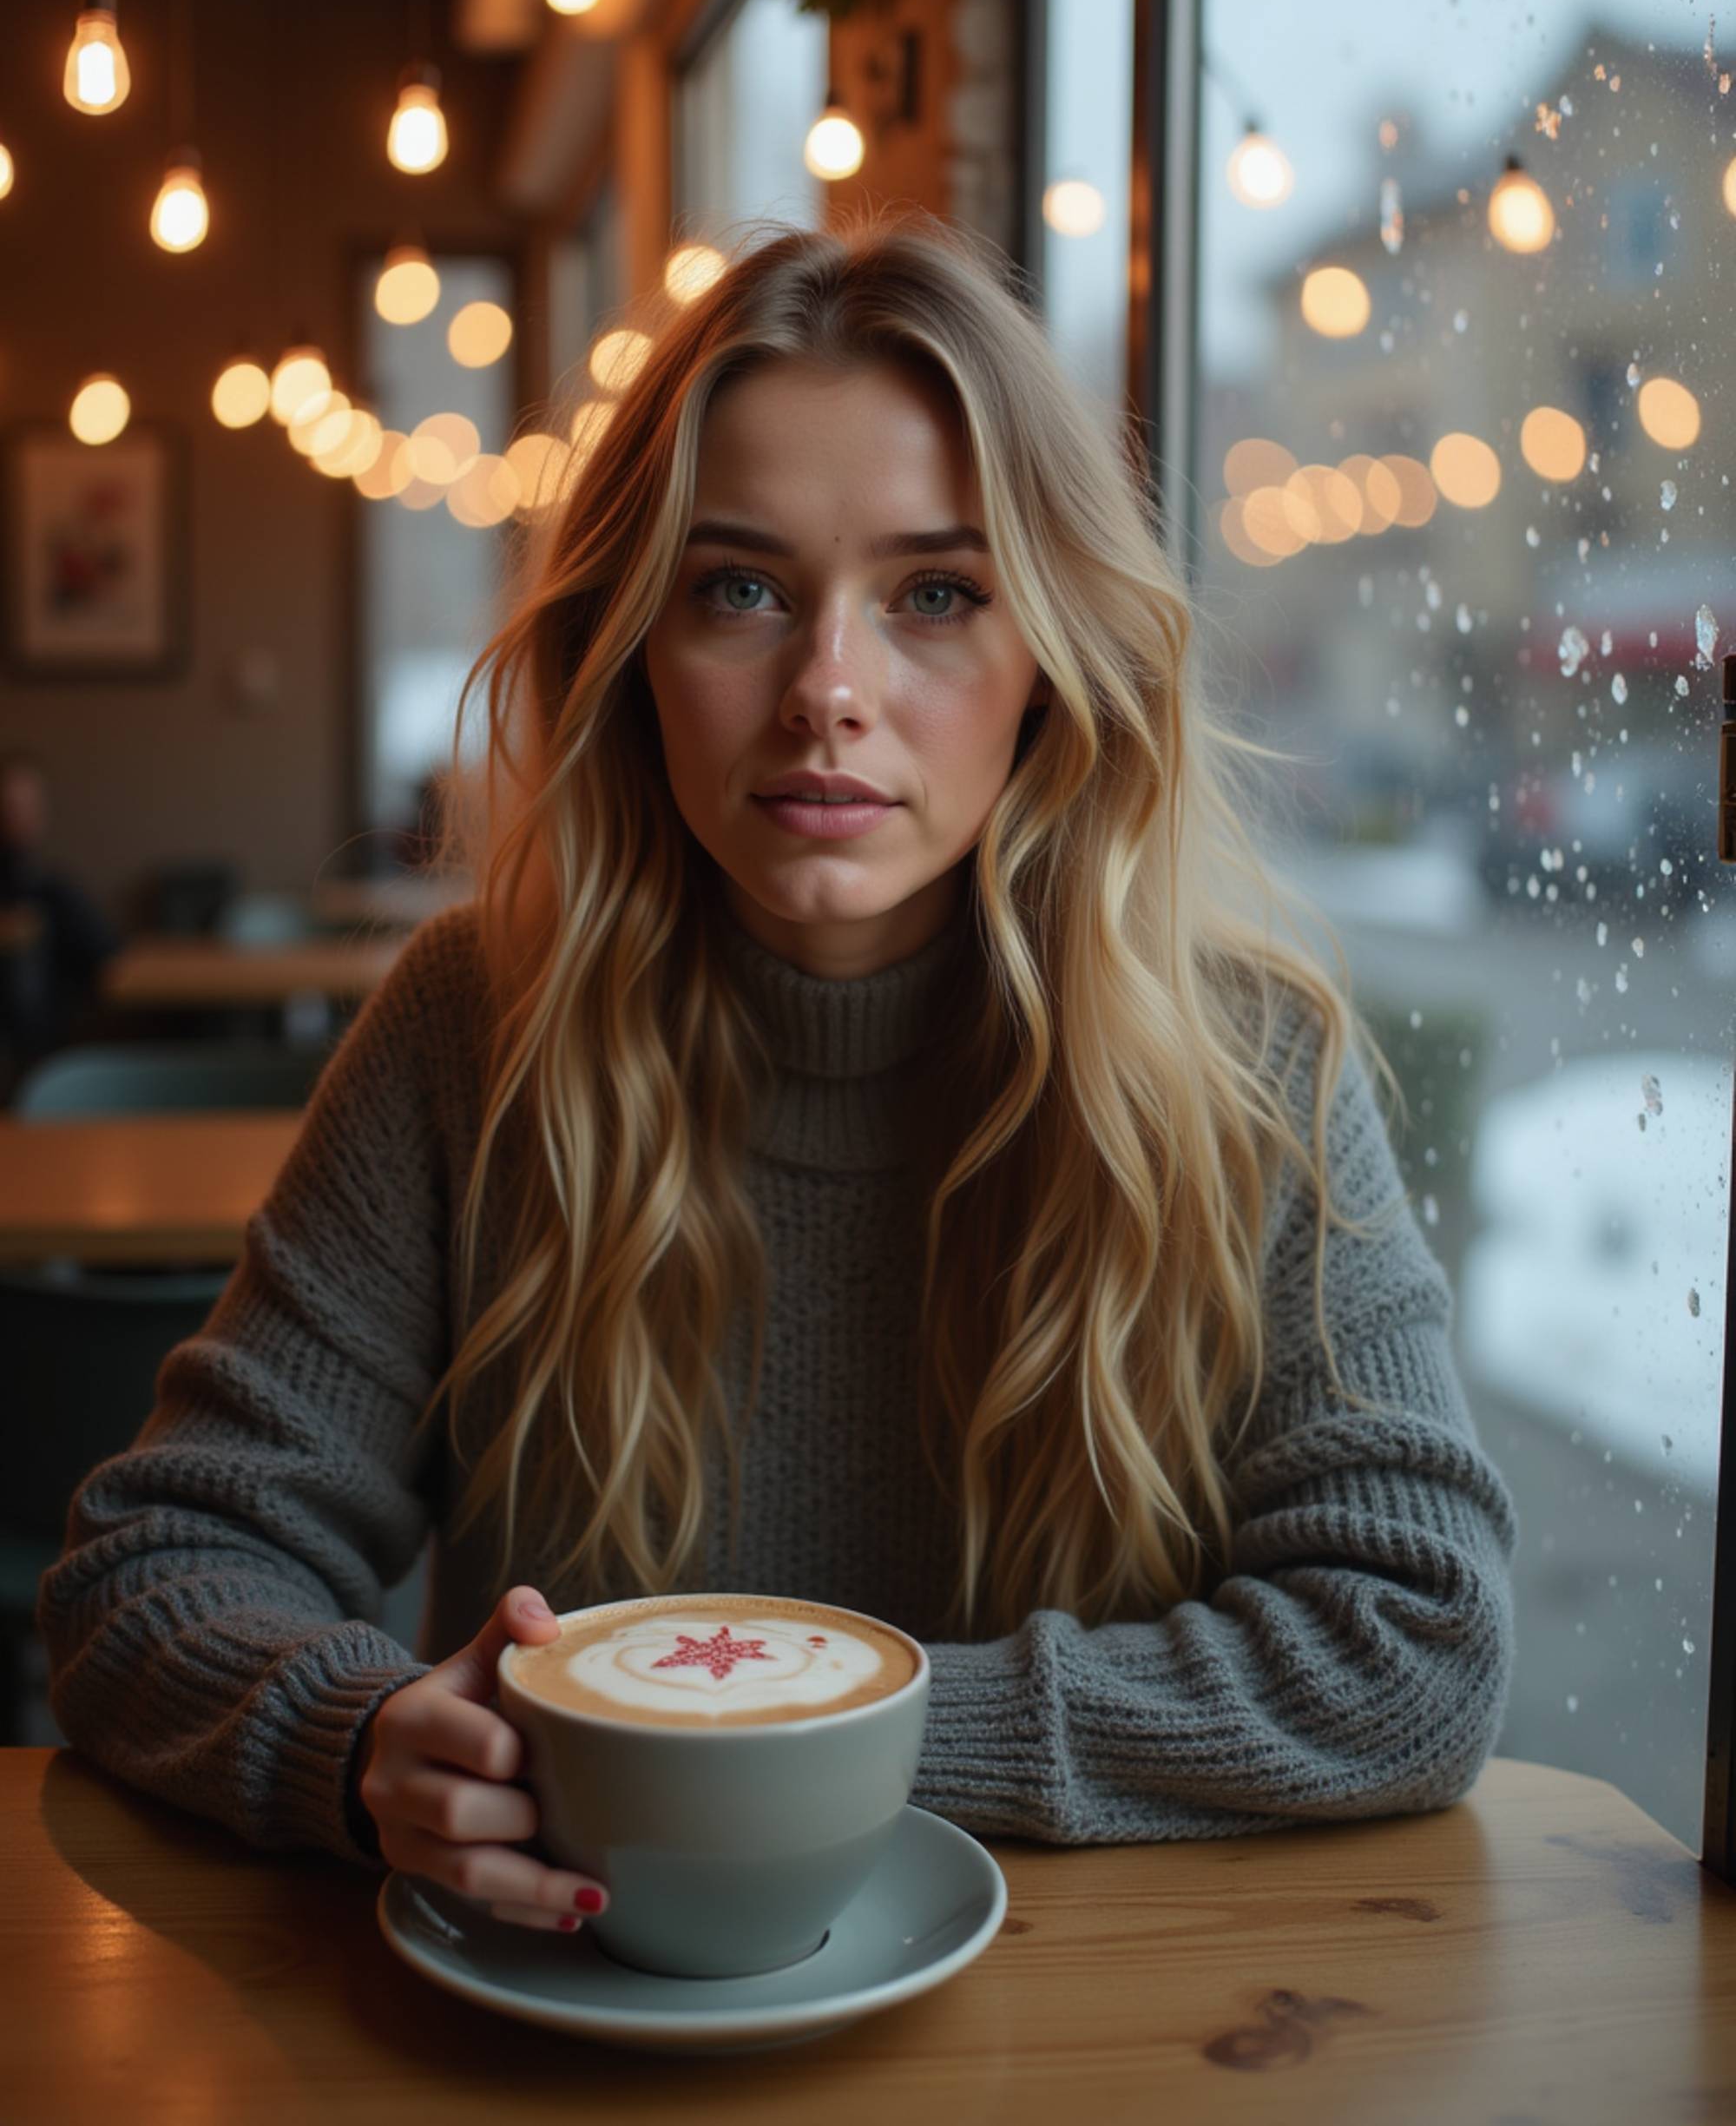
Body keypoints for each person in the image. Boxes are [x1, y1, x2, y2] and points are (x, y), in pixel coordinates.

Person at [37, 209, 1518, 1944]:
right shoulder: (469, 1030)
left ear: (1053, 656)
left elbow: (1413, 1645)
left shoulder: (1249, 1062)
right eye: (738, 587)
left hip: (1089, 2046)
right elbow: (146, 1571)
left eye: (936, 595)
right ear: (629, 644)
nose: (829, 688)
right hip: (571, 2043)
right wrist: (364, 1739)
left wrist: (782, 1750)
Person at [0, 747, 121, 1088]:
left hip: (45, 1057)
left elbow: (106, 948)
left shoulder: (49, 889)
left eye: (27, 806)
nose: (17, 817)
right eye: (8, 806)